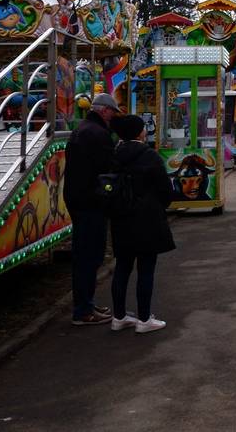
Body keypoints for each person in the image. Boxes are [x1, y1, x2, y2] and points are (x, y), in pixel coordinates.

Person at [107, 114, 176, 334]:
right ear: (139, 132)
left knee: (122, 267)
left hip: (121, 218)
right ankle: (144, 318)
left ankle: (118, 316)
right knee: (146, 269)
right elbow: (165, 189)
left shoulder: (114, 155)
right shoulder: (149, 156)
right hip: (147, 219)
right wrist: (159, 205)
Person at [62, 92, 120, 325]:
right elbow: (107, 169)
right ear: (104, 110)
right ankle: (83, 310)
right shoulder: (97, 134)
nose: (113, 117)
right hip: (90, 202)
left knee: (86, 255)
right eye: (112, 113)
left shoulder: (82, 129)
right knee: (89, 256)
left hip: (78, 199)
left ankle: (86, 303)